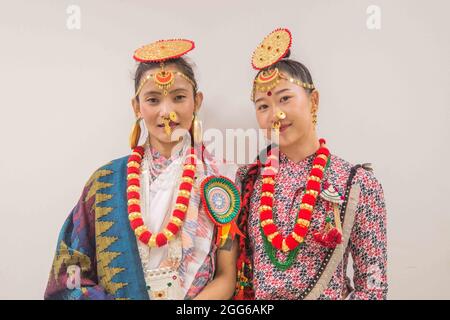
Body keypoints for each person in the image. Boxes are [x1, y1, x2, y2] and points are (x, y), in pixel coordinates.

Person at [45, 38, 238, 300]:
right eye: (153, 99)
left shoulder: (222, 179)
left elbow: (226, 277)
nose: (167, 112)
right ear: (137, 107)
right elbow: (69, 274)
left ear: (197, 101)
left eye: (179, 97)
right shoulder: (105, 183)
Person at [234, 28, 387, 300]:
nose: (275, 115)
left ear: (313, 100)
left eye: (284, 98)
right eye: (262, 106)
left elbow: (373, 287)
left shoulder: (356, 183)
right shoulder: (247, 181)